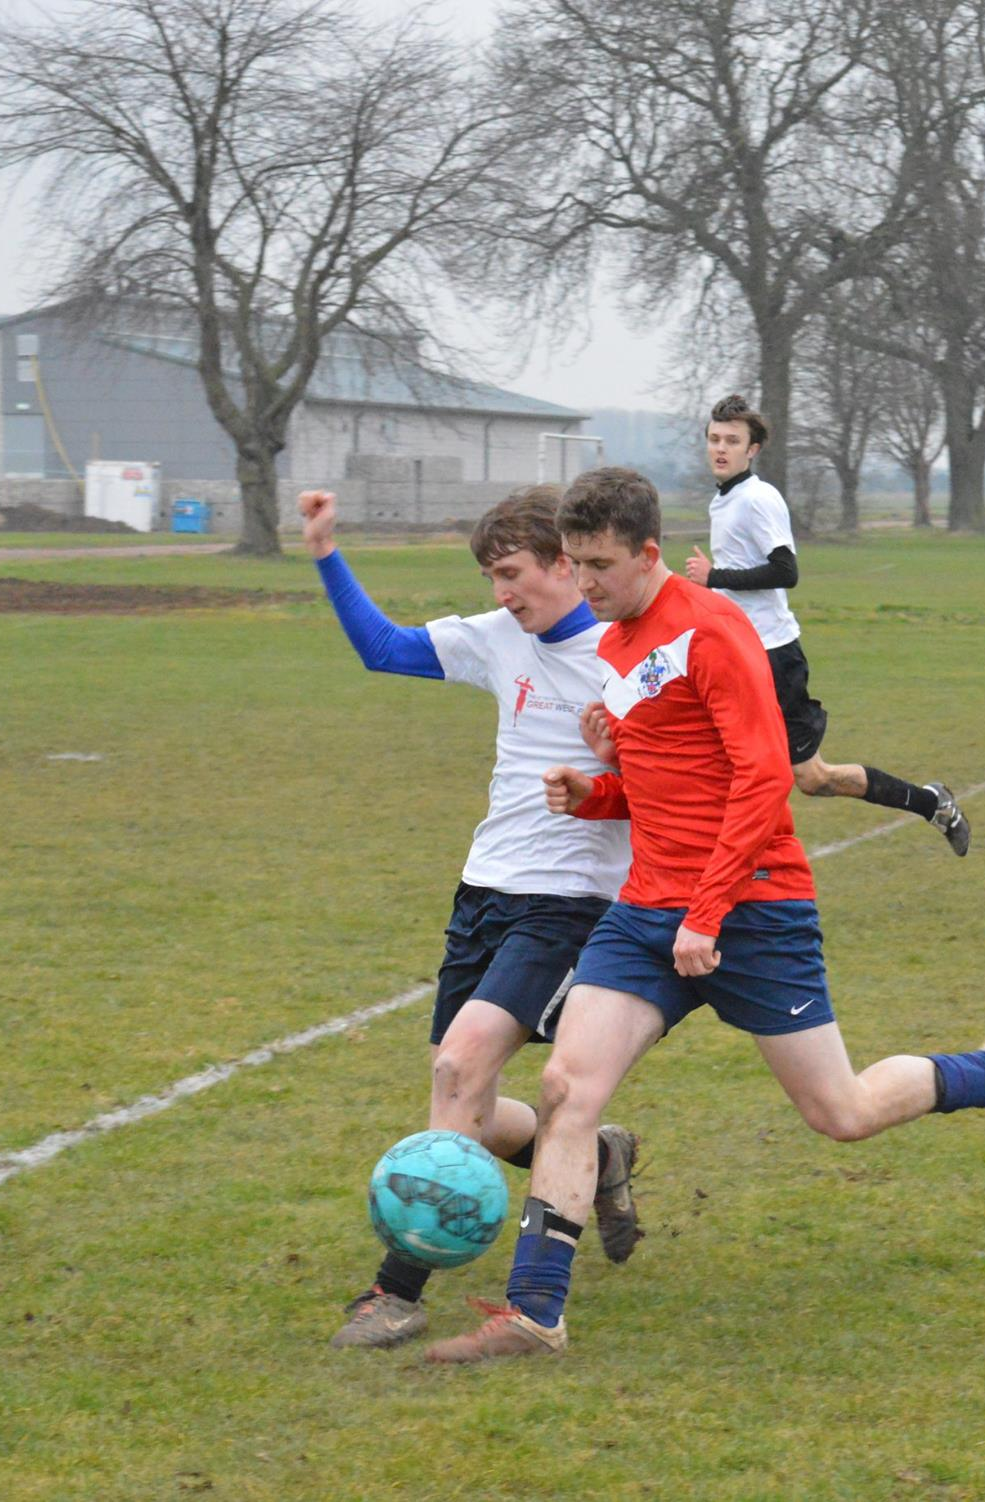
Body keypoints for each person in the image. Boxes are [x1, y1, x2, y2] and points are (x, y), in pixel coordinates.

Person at [425, 467, 985, 1366]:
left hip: (754, 909)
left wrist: (709, 909)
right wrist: (595, 793)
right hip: (649, 910)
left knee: (840, 1111)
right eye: (573, 565)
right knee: (566, 1091)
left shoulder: (712, 627)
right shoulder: (615, 645)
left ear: (650, 554)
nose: (583, 585)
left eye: (600, 566)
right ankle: (536, 1314)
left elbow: (763, 778)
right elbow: (669, 783)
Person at [299, 485, 646, 1352]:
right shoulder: (501, 639)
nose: (501, 594)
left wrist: (620, 766)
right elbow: (384, 650)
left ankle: (398, 1289)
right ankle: (601, 1159)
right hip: (482, 891)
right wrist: (325, 553)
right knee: (471, 1106)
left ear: (565, 564)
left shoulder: (627, 653)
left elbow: (682, 780)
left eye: (511, 575)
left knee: (458, 1068)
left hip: (566, 901)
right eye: (491, 578)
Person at [681, 394, 971, 855]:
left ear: (752, 449)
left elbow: (786, 571)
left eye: (732, 441)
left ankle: (931, 802)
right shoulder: (727, 500)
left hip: (774, 656)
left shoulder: (758, 498)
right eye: (715, 439)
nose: (721, 448)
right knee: (714, 752)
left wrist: (714, 577)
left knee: (812, 778)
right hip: (736, 652)